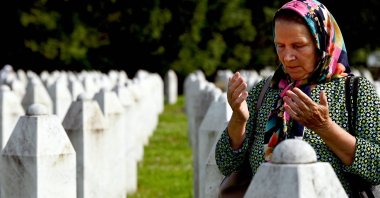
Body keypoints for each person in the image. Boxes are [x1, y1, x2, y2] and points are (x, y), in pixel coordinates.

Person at [215, 0, 380, 197]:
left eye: (298, 45)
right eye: (280, 46)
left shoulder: (356, 92)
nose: (287, 57)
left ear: (322, 43)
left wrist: (325, 127)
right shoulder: (265, 90)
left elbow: (376, 167)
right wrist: (239, 119)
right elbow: (225, 163)